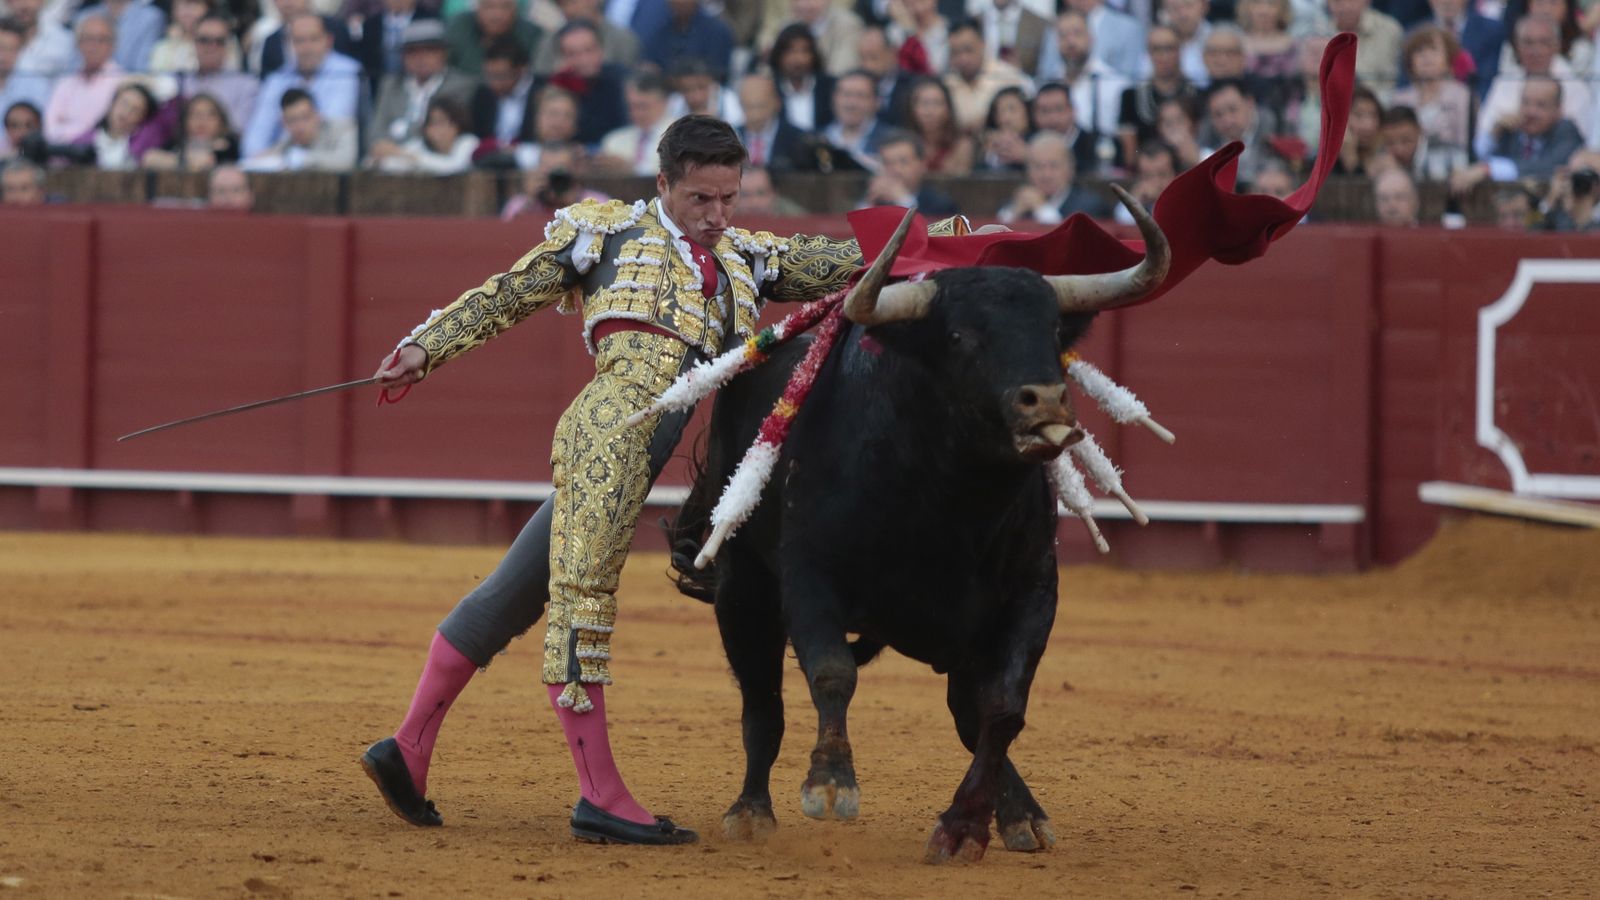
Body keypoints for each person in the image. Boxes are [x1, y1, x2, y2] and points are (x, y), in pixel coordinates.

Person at [359, 113, 977, 845]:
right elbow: (507, 293)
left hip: (644, 453)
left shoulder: (751, 255)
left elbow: (848, 264)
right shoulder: (605, 233)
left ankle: (406, 750)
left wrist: (949, 241)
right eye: (699, 200)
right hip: (605, 438)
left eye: (728, 198)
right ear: (664, 184)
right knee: (581, 607)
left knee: (512, 594)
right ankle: (600, 799)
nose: (717, 216)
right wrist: (422, 349)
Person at [241, 14, 362, 159]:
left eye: (313, 39)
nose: (306, 47)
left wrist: (289, 156)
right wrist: (256, 159)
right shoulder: (277, 79)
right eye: (299, 41)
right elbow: (258, 131)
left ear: (328, 40)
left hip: (328, 163)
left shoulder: (348, 72)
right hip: (278, 164)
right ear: (288, 44)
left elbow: (331, 129)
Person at [365, 20, 475, 165]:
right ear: (402, 56)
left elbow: (443, 133)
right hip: (391, 161)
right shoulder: (391, 85)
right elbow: (375, 133)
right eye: (412, 51)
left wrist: (400, 151)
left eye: (429, 50)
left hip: (438, 163)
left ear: (443, 53)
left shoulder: (462, 86)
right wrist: (384, 148)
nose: (420, 58)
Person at [941, 17, 1030, 137]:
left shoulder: (1009, 77)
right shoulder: (945, 84)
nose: (963, 59)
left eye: (968, 50)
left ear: (983, 44)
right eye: (956, 52)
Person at [998, 129, 1111, 222]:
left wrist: (1041, 208)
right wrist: (1015, 211)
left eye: (1054, 166)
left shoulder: (1089, 207)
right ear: (1028, 171)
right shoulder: (1017, 202)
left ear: (1070, 169)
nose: (1046, 175)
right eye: (1038, 166)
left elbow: (1068, 240)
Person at [43, 13, 123, 143]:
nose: (94, 46)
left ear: (113, 45)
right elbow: (49, 126)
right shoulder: (65, 83)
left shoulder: (120, 83)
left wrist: (65, 128)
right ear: (77, 44)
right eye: (88, 39)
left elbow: (97, 129)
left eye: (101, 40)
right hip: (58, 154)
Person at [241, 86, 358, 170]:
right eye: (292, 120)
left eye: (305, 117)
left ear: (318, 116)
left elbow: (346, 161)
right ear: (284, 123)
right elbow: (264, 159)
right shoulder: (288, 144)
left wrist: (304, 159)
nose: (299, 126)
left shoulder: (343, 128)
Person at [858, 127, 959, 215]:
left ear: (922, 164)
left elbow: (927, 232)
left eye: (903, 162)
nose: (896, 170)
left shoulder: (940, 203)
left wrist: (904, 200)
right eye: (888, 163)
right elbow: (853, 231)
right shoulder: (879, 200)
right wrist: (868, 201)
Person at [593, 69, 673, 175]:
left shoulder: (681, 137)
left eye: (643, 107)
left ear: (664, 103)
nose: (637, 114)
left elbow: (674, 176)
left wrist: (632, 169)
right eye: (632, 107)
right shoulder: (614, 141)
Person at [373, 94, 478, 172]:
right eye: (432, 123)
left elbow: (454, 167)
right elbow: (391, 164)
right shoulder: (419, 145)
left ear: (456, 125)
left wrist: (406, 155)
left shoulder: (469, 142)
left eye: (441, 122)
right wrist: (385, 155)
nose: (436, 129)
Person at [531, 0, 639, 74]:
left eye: (573, 2)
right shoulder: (550, 40)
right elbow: (540, 80)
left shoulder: (623, 40)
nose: (568, 11)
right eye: (562, 4)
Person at [143, 91, 238, 170]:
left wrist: (171, 160)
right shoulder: (177, 142)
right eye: (195, 114)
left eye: (210, 115)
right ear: (184, 120)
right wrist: (187, 160)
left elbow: (205, 162)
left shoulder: (230, 144)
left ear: (221, 121)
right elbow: (149, 158)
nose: (202, 121)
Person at [445, 0, 540, 77]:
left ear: (515, 11)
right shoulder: (459, 27)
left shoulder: (532, 34)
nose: (497, 15)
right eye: (489, 7)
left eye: (505, 7)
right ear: (477, 9)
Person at [770, 22, 835, 134]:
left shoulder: (830, 87)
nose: (798, 59)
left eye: (805, 51)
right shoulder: (770, 90)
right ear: (779, 55)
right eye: (791, 51)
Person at [900, 74, 973, 174]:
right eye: (924, 103)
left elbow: (962, 185)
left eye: (937, 103)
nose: (930, 111)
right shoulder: (901, 144)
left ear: (948, 110)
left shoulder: (961, 145)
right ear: (912, 109)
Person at [737, 72, 805, 172]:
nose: (756, 116)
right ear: (740, 104)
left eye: (761, 106)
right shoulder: (728, 139)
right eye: (749, 106)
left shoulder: (799, 140)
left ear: (777, 103)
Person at [978, 84, 1033, 172]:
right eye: (1000, 112)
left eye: (1012, 109)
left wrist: (1027, 156)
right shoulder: (986, 142)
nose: (1005, 118)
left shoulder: (1038, 141)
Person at [738, 164, 806, 215]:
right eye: (744, 195)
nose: (754, 203)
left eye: (761, 194)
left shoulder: (794, 216)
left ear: (774, 193)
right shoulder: (728, 216)